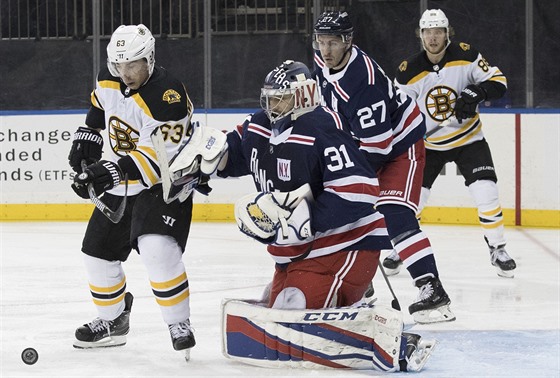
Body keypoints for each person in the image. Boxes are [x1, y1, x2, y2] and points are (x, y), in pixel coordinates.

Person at [168, 60, 435, 372]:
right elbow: (236, 151)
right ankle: (346, 310)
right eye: (269, 98)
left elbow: (359, 191)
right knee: (273, 311)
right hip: (298, 253)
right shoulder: (261, 125)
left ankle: (389, 338)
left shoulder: (322, 128)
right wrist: (207, 160)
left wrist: (307, 221)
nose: (272, 106)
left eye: (281, 98)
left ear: (305, 95)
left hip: (346, 248)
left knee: (291, 308)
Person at [312, 11, 454, 324]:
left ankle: (432, 289)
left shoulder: (363, 82)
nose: (326, 50)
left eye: (333, 42)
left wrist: (346, 179)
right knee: (344, 213)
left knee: (394, 213)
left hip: (400, 146)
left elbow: (379, 148)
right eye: (321, 41)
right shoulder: (322, 62)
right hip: (366, 144)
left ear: (348, 41)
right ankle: (360, 288)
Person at [67, 24, 198, 360]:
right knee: (96, 253)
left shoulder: (168, 95)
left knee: (157, 250)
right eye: (119, 65)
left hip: (165, 185)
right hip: (124, 181)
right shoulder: (108, 77)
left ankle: (178, 323)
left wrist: (107, 171)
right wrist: (88, 135)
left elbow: (160, 159)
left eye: (133, 65)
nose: (125, 73)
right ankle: (113, 321)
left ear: (150, 58)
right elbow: (99, 106)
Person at [392, 9, 516, 278]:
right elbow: (397, 111)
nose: (433, 37)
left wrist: (476, 92)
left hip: (469, 140)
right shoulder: (408, 71)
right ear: (420, 35)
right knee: (413, 201)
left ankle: (497, 248)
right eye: (428, 31)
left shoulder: (466, 55)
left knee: (486, 193)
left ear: (447, 34)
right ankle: (402, 246)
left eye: (439, 31)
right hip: (428, 145)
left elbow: (499, 81)